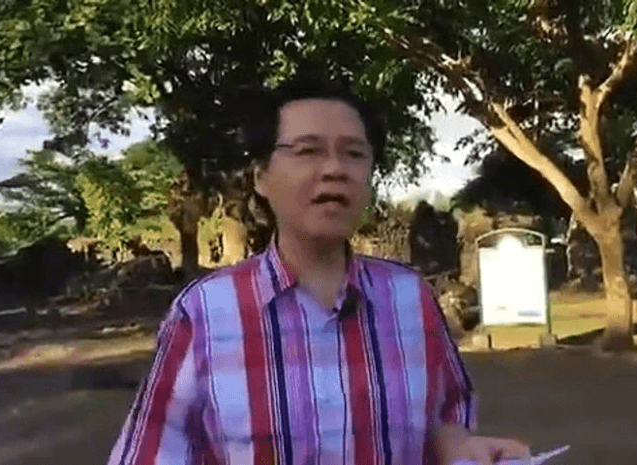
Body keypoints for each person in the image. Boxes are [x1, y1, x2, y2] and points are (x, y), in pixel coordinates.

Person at [107, 73, 530, 465]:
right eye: (308, 151)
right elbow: (150, 453)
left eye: (354, 153)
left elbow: (445, 418)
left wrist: (459, 447)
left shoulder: (410, 298)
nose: (334, 169)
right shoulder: (203, 312)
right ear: (261, 177)